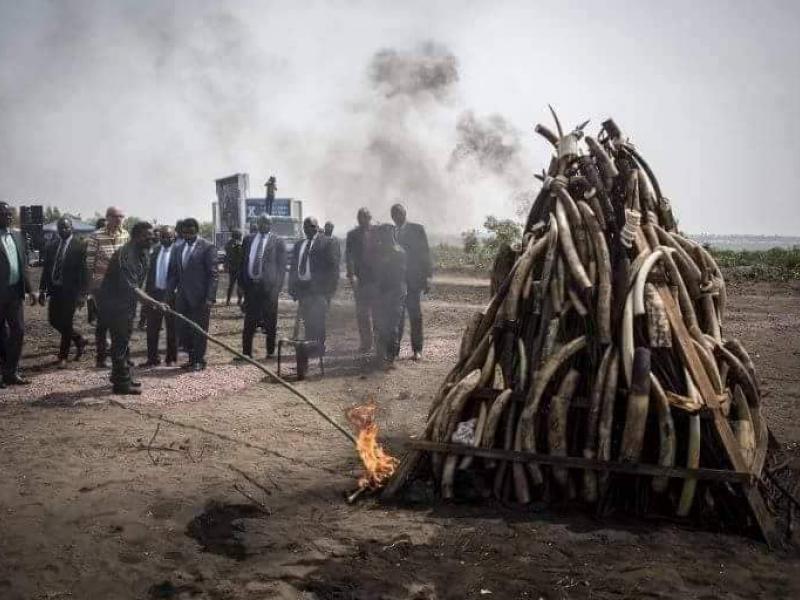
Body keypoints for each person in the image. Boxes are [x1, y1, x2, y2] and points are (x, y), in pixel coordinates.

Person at [95, 222, 155, 395]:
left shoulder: (143, 252)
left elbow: (138, 283)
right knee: (120, 343)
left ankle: (121, 375)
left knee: (124, 341)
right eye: (147, 235)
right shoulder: (125, 254)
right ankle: (121, 384)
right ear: (136, 237)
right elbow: (131, 287)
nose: (151, 238)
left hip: (127, 303)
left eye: (151, 235)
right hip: (113, 304)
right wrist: (154, 303)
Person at [288, 217, 339, 369]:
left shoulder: (327, 242)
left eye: (310, 226)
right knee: (308, 321)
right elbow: (293, 268)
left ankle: (319, 351)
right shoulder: (299, 245)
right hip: (304, 290)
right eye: (305, 226)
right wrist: (293, 289)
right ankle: (310, 350)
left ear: (317, 227)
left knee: (318, 321)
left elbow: (333, 269)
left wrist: (328, 292)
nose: (307, 229)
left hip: (319, 291)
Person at [38, 217, 89, 368]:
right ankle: (79, 339)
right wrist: (42, 290)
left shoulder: (79, 246)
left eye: (66, 227)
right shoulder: (52, 246)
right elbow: (46, 270)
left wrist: (82, 295)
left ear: (71, 228)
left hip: (71, 292)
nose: (63, 230)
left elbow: (84, 273)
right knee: (53, 320)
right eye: (61, 228)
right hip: (55, 290)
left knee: (66, 323)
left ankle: (63, 357)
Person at [171, 218, 218, 371]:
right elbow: (175, 274)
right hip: (182, 298)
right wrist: (169, 294)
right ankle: (191, 358)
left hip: (200, 298)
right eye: (184, 232)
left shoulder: (207, 247)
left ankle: (199, 360)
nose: (187, 235)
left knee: (199, 330)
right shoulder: (178, 248)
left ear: (197, 231)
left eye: (190, 232)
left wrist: (210, 297)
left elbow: (213, 275)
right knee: (183, 329)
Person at [86, 207, 130, 367]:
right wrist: (91, 290)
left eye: (122, 216)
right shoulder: (96, 236)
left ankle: (122, 357)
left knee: (122, 322)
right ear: (108, 218)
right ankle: (101, 358)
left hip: (121, 286)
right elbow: (89, 263)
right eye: (116, 216)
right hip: (102, 287)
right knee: (104, 323)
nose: (119, 219)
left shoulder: (125, 235)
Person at [239, 216, 286, 359]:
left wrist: (276, 289)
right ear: (257, 224)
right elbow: (243, 263)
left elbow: (281, 268)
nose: (264, 225)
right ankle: (246, 353)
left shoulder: (278, 241)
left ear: (271, 224)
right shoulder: (248, 240)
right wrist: (241, 285)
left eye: (267, 223)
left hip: (269, 290)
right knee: (249, 322)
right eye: (261, 222)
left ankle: (270, 352)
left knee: (270, 322)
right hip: (251, 288)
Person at [391, 203, 432, 361]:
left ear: (404, 213)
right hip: (396, 283)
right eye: (394, 214)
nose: (397, 217)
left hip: (413, 281)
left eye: (399, 213)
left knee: (415, 316)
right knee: (397, 317)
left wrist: (427, 278)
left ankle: (417, 350)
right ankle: (394, 351)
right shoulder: (391, 232)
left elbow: (424, 254)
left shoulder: (417, 230)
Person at [0, 201, 33, 387]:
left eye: (10, 214)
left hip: (14, 293)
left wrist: (30, 290)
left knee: (18, 331)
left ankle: (11, 372)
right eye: (4, 214)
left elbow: (24, 265)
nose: (9, 216)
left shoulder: (18, 236)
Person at [141, 226, 178, 367]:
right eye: (163, 236)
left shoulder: (178, 251)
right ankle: (152, 358)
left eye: (169, 237)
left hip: (172, 296)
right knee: (152, 329)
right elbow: (149, 274)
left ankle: (171, 358)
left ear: (174, 237)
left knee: (172, 329)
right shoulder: (154, 251)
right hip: (154, 295)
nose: (166, 239)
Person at [373, 223, 407, 369]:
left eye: (382, 235)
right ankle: (384, 354)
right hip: (383, 293)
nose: (380, 238)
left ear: (389, 235)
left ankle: (391, 357)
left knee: (392, 326)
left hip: (394, 294)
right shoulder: (382, 251)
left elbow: (397, 277)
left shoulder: (398, 252)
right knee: (381, 325)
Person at [345, 208, 378, 353]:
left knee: (378, 312)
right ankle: (366, 343)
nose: (362, 220)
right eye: (359, 217)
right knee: (362, 313)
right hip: (361, 280)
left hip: (377, 279)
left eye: (365, 217)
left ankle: (379, 343)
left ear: (370, 218)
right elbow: (349, 256)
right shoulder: (352, 235)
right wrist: (352, 275)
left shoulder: (378, 232)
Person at [224, 229, 244, 306]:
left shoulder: (228, 244)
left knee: (231, 284)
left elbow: (227, 256)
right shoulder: (239, 244)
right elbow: (241, 256)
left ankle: (228, 301)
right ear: (239, 236)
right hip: (239, 267)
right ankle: (239, 300)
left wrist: (226, 265)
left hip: (231, 267)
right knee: (240, 285)